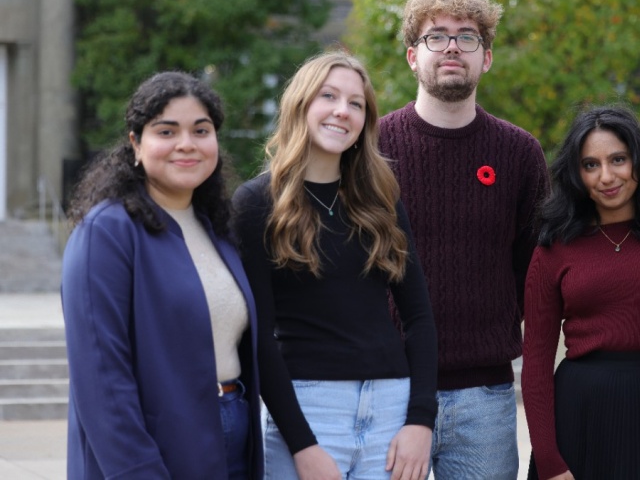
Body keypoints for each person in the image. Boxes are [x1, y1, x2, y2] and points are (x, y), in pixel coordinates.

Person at [232, 51, 437, 480]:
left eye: (356, 103)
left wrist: (420, 420)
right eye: (329, 96)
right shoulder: (255, 204)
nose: (342, 111)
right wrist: (302, 445)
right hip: (309, 409)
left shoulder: (380, 199)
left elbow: (418, 316)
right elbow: (258, 337)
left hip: (390, 411)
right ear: (301, 105)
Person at [378, 0, 549, 479]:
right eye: (437, 36)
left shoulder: (519, 153)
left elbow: (533, 272)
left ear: (486, 57)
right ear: (414, 55)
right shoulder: (372, 149)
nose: (452, 47)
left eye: (467, 37)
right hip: (388, 390)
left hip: (485, 399)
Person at [61, 72, 262, 479]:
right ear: (136, 144)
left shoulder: (217, 230)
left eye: (200, 130)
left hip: (232, 429)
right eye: (166, 131)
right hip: (158, 446)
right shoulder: (107, 232)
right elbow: (101, 382)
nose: (187, 143)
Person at [521, 106, 640, 480]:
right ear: (576, 174)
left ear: (639, 160)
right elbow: (536, 367)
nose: (606, 176)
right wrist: (550, 462)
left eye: (618, 159)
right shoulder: (554, 248)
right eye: (590, 165)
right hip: (580, 417)